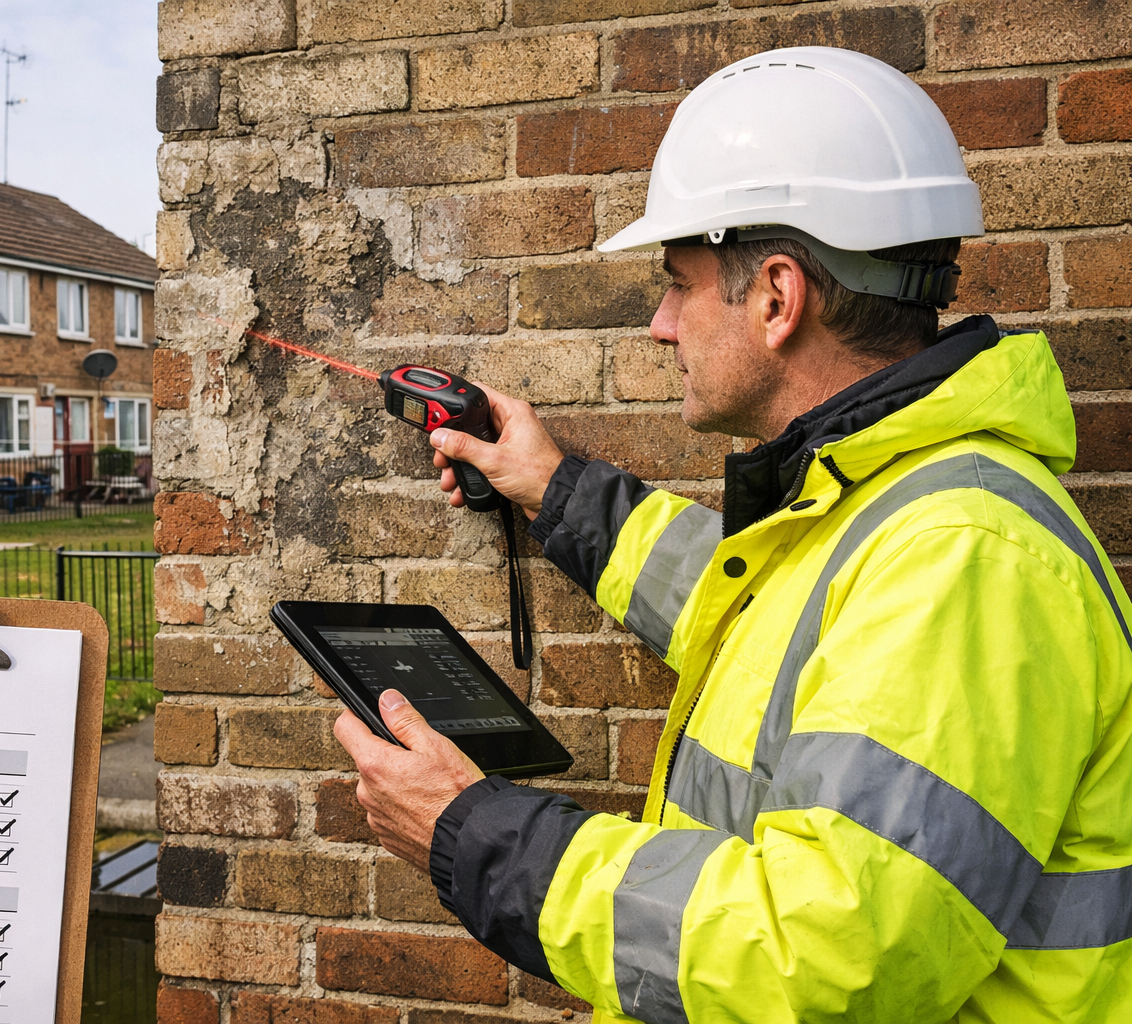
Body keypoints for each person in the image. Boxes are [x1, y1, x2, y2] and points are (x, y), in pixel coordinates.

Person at [332, 46, 1132, 1023]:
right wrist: (553, 488)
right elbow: (752, 614)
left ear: (777, 297)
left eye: (678, 283)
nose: (663, 325)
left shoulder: (968, 557)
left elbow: (830, 951)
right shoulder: (883, 506)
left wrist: (476, 832)